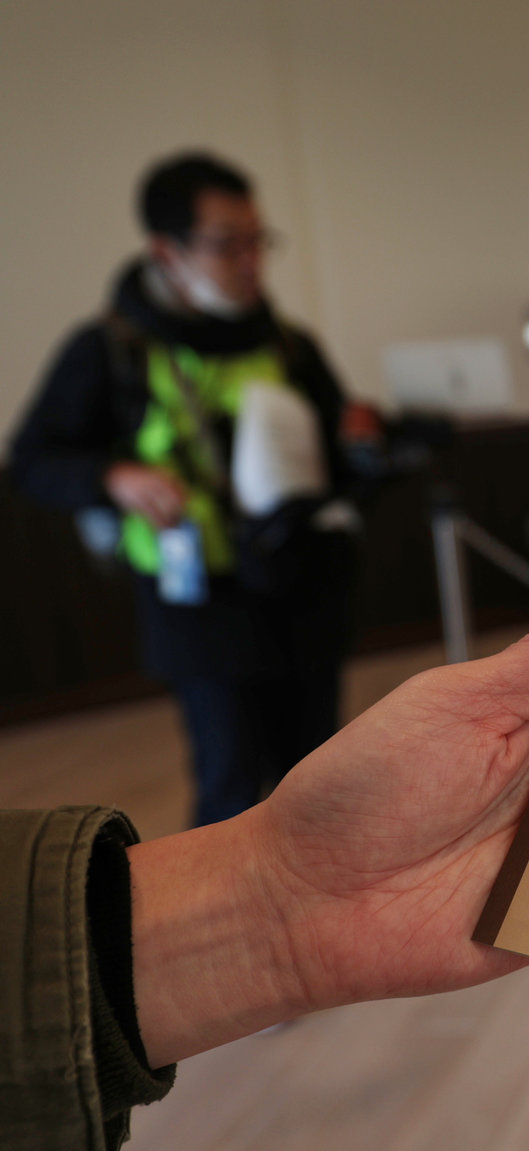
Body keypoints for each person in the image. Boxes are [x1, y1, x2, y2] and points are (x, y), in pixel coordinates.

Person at [0, 575, 529, 1151]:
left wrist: (279, 893)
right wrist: (276, 897)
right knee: (225, 763)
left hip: (302, 601)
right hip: (200, 614)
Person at [9, 151, 376, 828]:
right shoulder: (109, 350)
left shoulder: (288, 345)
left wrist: (362, 442)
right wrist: (112, 477)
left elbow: (339, 462)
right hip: (198, 603)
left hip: (299, 585)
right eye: (226, 244)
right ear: (165, 251)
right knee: (230, 787)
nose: (251, 262)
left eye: (258, 240)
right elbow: (31, 462)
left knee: (319, 779)